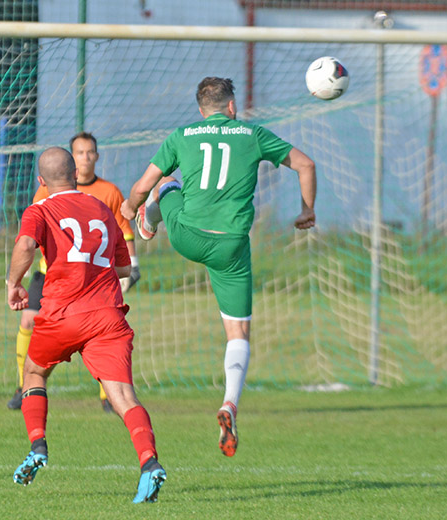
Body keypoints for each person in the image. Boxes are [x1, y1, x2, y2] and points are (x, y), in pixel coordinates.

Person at [120, 77, 316, 458]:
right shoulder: (253, 133)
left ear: (200, 110)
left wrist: (130, 208)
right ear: (231, 107)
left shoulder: (182, 135)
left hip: (187, 234)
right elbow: (305, 164)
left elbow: (144, 184)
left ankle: (149, 223)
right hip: (230, 245)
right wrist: (308, 209)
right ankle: (230, 403)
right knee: (238, 330)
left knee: (167, 185)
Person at [7, 147, 166, 503]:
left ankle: (37, 446)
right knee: (123, 395)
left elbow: (26, 244)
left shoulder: (39, 209)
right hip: (107, 315)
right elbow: (124, 269)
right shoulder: (103, 210)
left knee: (33, 372)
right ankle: (150, 463)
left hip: (62, 313)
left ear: (41, 182)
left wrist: (13, 283)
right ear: (75, 175)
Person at [7, 132, 140, 413]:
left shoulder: (109, 193)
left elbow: (124, 234)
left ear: (95, 157)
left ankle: (106, 395)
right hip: (50, 274)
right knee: (30, 322)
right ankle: (24, 387)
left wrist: (133, 265)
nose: (86, 157)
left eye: (90, 152)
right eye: (80, 152)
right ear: (72, 162)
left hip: (92, 278)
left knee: (96, 336)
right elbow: (31, 236)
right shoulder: (45, 193)